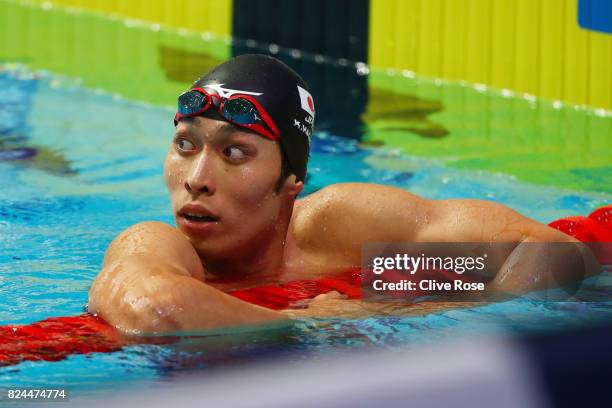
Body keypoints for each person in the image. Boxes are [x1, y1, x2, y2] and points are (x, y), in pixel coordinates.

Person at [88, 54, 600, 334]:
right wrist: (308, 326)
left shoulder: (341, 229)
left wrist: (440, 310)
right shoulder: (157, 247)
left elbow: (552, 250)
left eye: (235, 153)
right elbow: (158, 309)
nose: (197, 177)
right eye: (185, 144)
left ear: (291, 181)